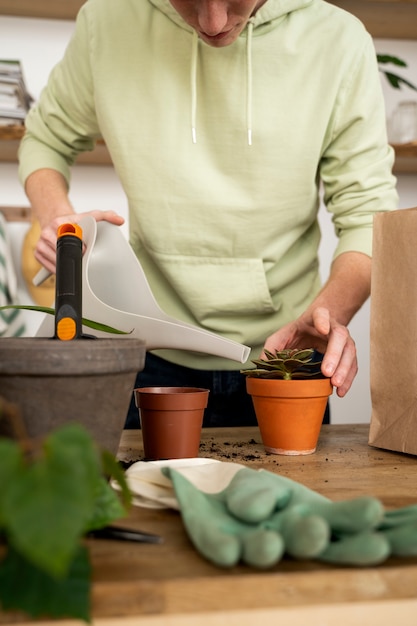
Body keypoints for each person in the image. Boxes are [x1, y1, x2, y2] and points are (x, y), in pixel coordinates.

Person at [18, 0, 398, 428]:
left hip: (285, 353)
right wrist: (59, 220)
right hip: (146, 355)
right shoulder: (105, 21)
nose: (212, 22)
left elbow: (368, 216)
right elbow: (45, 140)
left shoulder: (338, 39)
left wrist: (329, 313)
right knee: (135, 496)